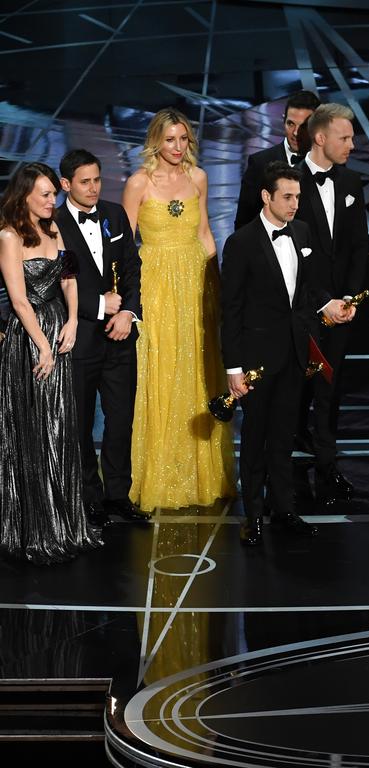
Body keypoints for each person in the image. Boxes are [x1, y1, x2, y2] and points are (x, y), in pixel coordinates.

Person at [122, 108, 234, 511]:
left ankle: (200, 472)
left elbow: (205, 233)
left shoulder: (198, 177)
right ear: (156, 140)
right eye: (170, 139)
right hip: (156, 284)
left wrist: (216, 286)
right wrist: (126, 297)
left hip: (195, 282)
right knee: (163, 369)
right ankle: (161, 472)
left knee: (198, 370)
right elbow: (125, 243)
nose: (177, 147)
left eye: (183, 139)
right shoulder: (138, 182)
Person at [0, 163, 103, 563]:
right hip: (29, 341)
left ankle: (64, 520)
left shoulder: (56, 229)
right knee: (33, 428)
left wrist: (74, 319)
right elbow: (19, 300)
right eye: (44, 194)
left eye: (52, 194)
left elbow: (70, 279)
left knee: (60, 428)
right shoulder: (8, 236)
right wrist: (42, 344)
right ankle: (34, 526)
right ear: (23, 196)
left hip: (61, 332)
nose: (51, 200)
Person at [221, 161, 319, 546]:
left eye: (298, 196)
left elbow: (305, 294)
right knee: (257, 438)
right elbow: (231, 310)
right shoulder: (241, 243)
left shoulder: (303, 232)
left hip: (294, 355)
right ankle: (254, 516)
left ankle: (284, 509)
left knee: (284, 436)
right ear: (266, 197)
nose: (295, 204)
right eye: (287, 197)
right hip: (257, 361)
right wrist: (234, 368)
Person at [55, 149, 147, 527]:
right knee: (78, 425)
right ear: (65, 184)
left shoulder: (114, 214)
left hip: (120, 336)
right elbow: (51, 286)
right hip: (79, 340)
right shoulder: (53, 223)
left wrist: (127, 312)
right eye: (85, 182)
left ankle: (118, 495)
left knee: (121, 418)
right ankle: (89, 498)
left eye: (97, 180)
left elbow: (132, 269)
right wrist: (99, 305)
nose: (94, 189)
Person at [294, 102, 369, 509]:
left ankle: (326, 469)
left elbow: (359, 246)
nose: (352, 144)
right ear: (320, 137)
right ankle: (287, 474)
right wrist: (323, 301)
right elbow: (293, 254)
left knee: (330, 391)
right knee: (295, 392)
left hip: (342, 309)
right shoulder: (289, 182)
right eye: (345, 137)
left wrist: (349, 299)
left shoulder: (352, 183)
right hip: (302, 309)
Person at [234, 90, 320, 230]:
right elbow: (244, 224)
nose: (296, 133)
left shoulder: (329, 165)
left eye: (304, 126)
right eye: (290, 124)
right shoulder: (260, 164)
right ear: (283, 120)